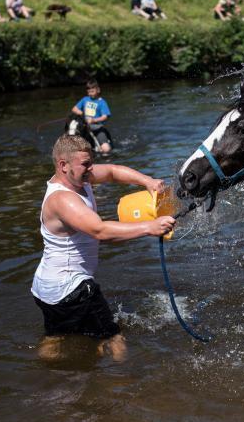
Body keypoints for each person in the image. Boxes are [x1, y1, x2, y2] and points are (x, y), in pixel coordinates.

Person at [32, 134, 176, 361]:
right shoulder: (63, 200)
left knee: (57, 336)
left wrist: (147, 181)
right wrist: (149, 227)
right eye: (85, 164)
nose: (91, 169)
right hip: (71, 288)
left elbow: (112, 171)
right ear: (63, 165)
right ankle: (123, 384)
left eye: (91, 162)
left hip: (47, 288)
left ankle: (42, 377)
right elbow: (100, 231)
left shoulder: (79, 176)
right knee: (113, 336)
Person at [71, 79, 113, 154]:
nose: (90, 94)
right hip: (85, 128)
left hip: (98, 129)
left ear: (98, 90)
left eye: (92, 91)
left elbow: (105, 116)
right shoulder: (85, 99)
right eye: (89, 92)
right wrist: (80, 112)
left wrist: (93, 120)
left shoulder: (102, 102)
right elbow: (74, 109)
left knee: (106, 149)